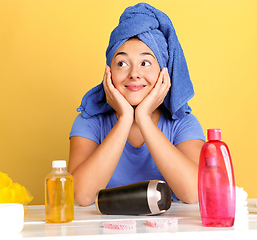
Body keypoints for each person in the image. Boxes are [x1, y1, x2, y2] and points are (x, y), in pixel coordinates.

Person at [68, 3, 205, 207]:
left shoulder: (183, 123)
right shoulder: (89, 121)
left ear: (163, 73)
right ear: (109, 73)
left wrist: (143, 118)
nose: (133, 74)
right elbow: (80, 196)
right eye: (122, 64)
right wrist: (124, 119)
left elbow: (194, 193)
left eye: (145, 63)